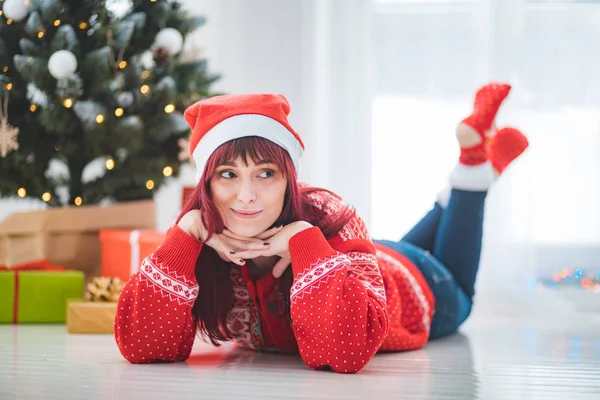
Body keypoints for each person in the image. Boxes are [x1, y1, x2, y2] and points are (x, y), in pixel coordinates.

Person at [114, 83, 529, 373]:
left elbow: (343, 354)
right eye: (227, 174)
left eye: (265, 174)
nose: (245, 197)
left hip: (418, 282)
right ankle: (474, 174)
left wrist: (301, 242)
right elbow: (143, 346)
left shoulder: (325, 213)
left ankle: (473, 171)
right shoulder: (195, 234)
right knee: (405, 241)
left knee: (463, 292)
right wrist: (182, 238)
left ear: (288, 178)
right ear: (205, 181)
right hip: (371, 253)